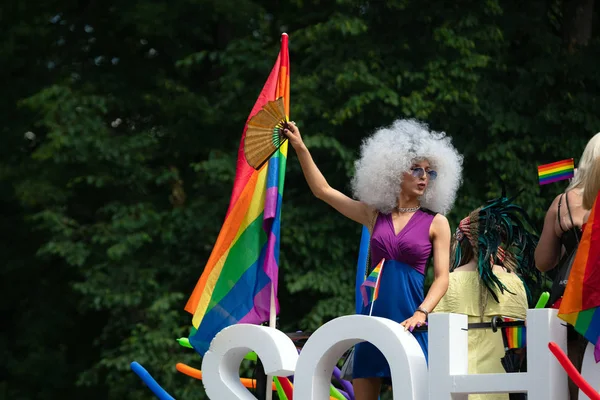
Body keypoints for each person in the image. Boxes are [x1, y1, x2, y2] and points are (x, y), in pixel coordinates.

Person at [284, 119, 463, 400]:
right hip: (372, 321)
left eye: (430, 172)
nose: (423, 177)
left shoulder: (437, 222)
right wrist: (300, 146)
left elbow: (442, 278)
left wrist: (421, 313)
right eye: (416, 168)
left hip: (411, 322)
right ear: (394, 170)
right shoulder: (374, 216)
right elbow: (324, 192)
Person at [433, 195, 541, 400]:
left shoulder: (446, 283)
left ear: (462, 242)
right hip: (503, 391)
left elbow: (438, 346)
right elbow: (519, 348)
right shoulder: (514, 283)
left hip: (456, 392)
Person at [535, 132, 600, 400]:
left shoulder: (563, 201)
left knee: (570, 386)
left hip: (569, 304)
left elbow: (543, 261)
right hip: (595, 303)